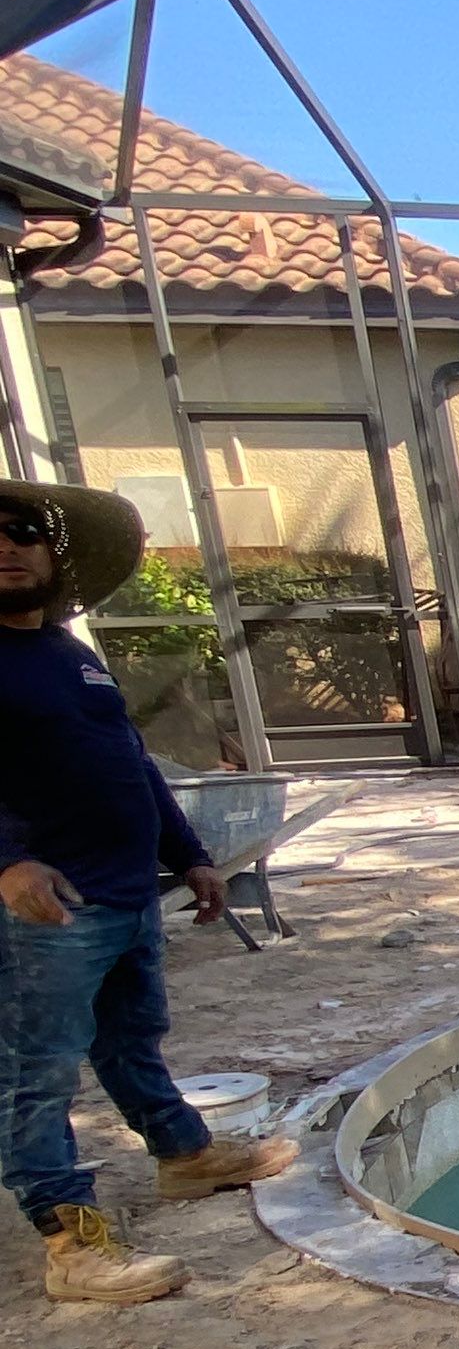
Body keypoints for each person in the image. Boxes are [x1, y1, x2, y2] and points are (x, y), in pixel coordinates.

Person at [0, 476, 296, 1304]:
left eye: (22, 530)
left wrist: (193, 855)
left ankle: (182, 1156)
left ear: (51, 554)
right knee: (35, 1071)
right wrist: (7, 863)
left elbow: (133, 766)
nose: (6, 545)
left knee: (130, 1041)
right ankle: (69, 1241)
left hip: (124, 893)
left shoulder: (68, 655)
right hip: (44, 906)